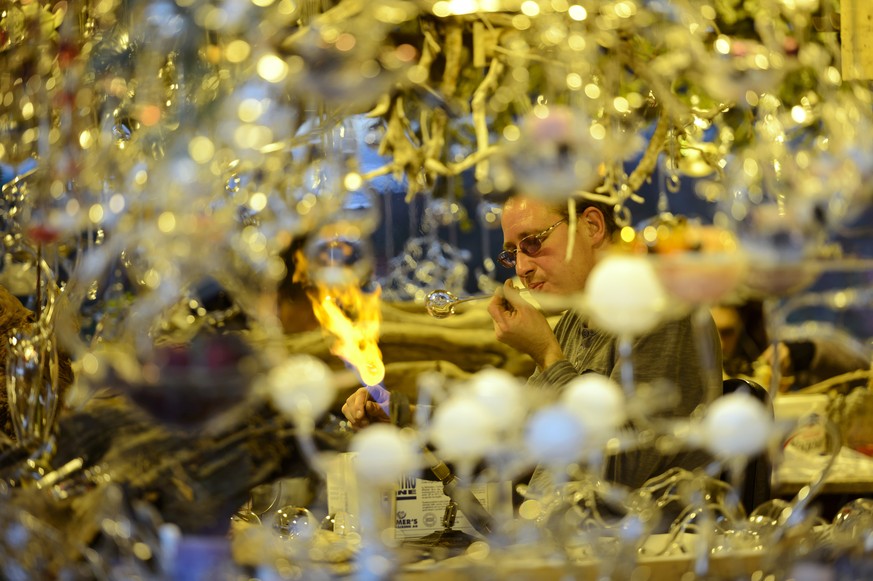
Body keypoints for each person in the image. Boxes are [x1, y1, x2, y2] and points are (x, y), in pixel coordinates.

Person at [486, 194, 719, 489]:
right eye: (512, 253)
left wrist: (546, 354)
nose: (521, 268)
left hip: (641, 531)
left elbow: (616, 470)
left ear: (592, 226)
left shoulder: (660, 310)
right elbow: (528, 442)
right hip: (556, 522)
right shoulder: (578, 315)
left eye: (532, 242)